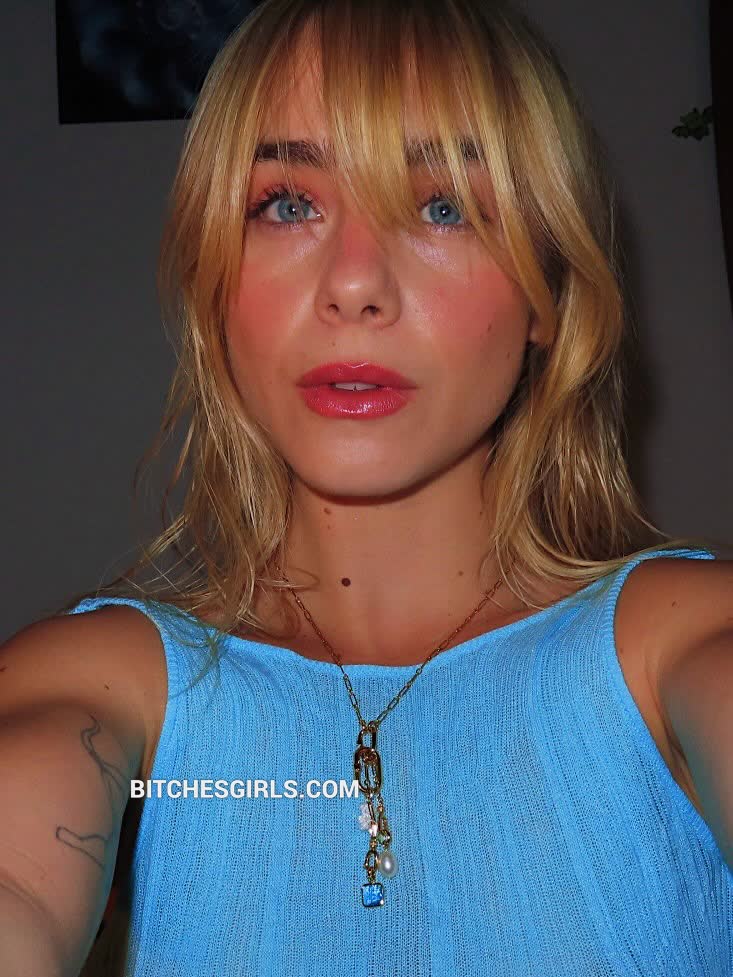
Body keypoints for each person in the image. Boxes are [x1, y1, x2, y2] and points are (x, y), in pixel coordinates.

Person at [1, 0, 732, 974]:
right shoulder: (93, 681)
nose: (353, 283)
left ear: (546, 295)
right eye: (286, 204)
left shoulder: (688, 642)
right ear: (214, 281)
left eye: (443, 206)